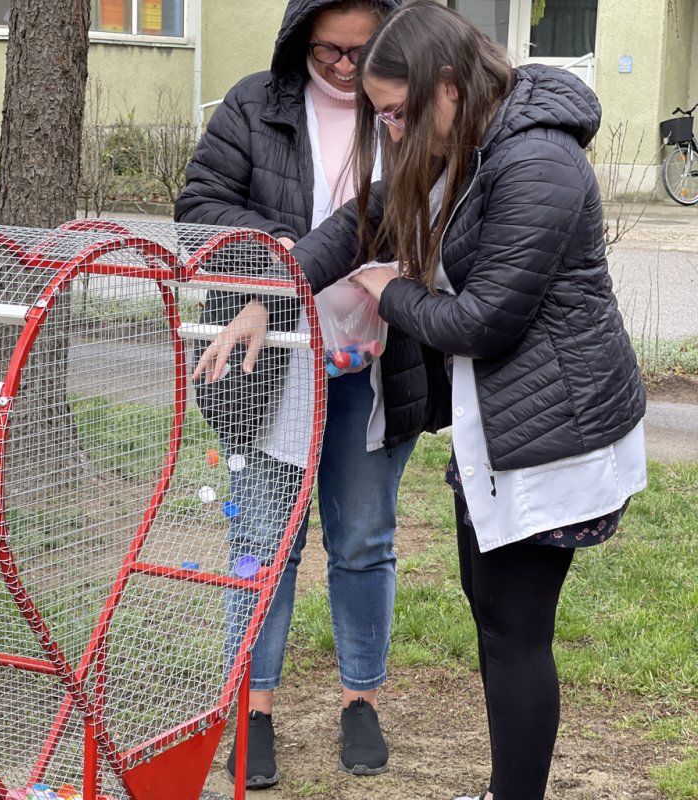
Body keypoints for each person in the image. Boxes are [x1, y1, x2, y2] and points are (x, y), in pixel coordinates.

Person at [274, 2, 648, 799]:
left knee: (515, 631)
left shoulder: (538, 161)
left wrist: (391, 291)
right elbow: (367, 218)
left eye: (397, 112)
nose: (392, 132)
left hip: (553, 430)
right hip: (500, 425)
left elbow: (483, 321)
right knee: (491, 610)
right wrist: (272, 290)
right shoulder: (462, 141)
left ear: (447, 85)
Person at [176, 0, 450, 789]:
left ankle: (361, 700)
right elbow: (199, 211)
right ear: (302, 39)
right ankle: (253, 709)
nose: (346, 67)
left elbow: (436, 212)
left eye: (364, 51)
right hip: (270, 365)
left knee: (363, 539)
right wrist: (279, 259)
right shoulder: (253, 105)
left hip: (376, 361)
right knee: (264, 542)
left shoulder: (407, 111)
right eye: (331, 50)